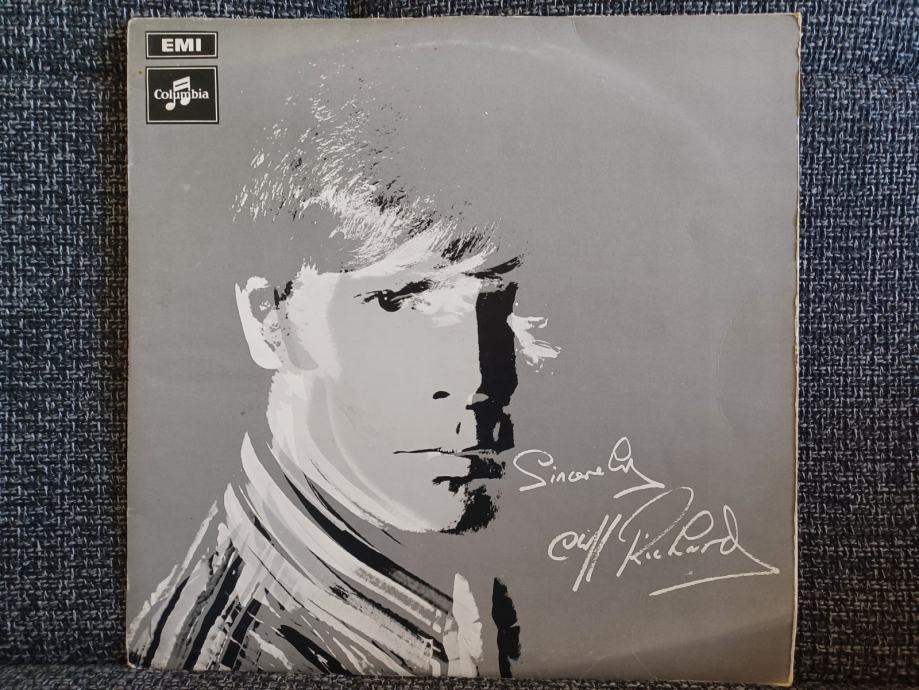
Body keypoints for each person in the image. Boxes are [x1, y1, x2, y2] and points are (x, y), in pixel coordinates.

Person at [127, 70, 560, 675]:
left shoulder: (482, 585)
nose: (480, 380)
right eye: (402, 302)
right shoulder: (233, 654)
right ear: (270, 319)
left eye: (496, 305)